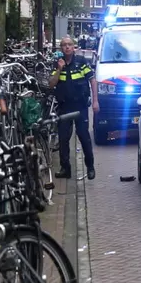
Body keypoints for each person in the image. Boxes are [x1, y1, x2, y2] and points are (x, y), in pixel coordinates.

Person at [48, 36, 98, 180]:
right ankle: (65, 169)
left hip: (80, 106)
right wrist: (59, 69)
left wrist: (95, 101)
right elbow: (51, 84)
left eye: (70, 45)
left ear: (74, 47)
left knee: (83, 137)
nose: (67, 47)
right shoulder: (57, 63)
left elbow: (92, 80)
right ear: (61, 48)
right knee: (63, 139)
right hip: (64, 106)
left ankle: (90, 167)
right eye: (64, 45)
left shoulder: (81, 62)